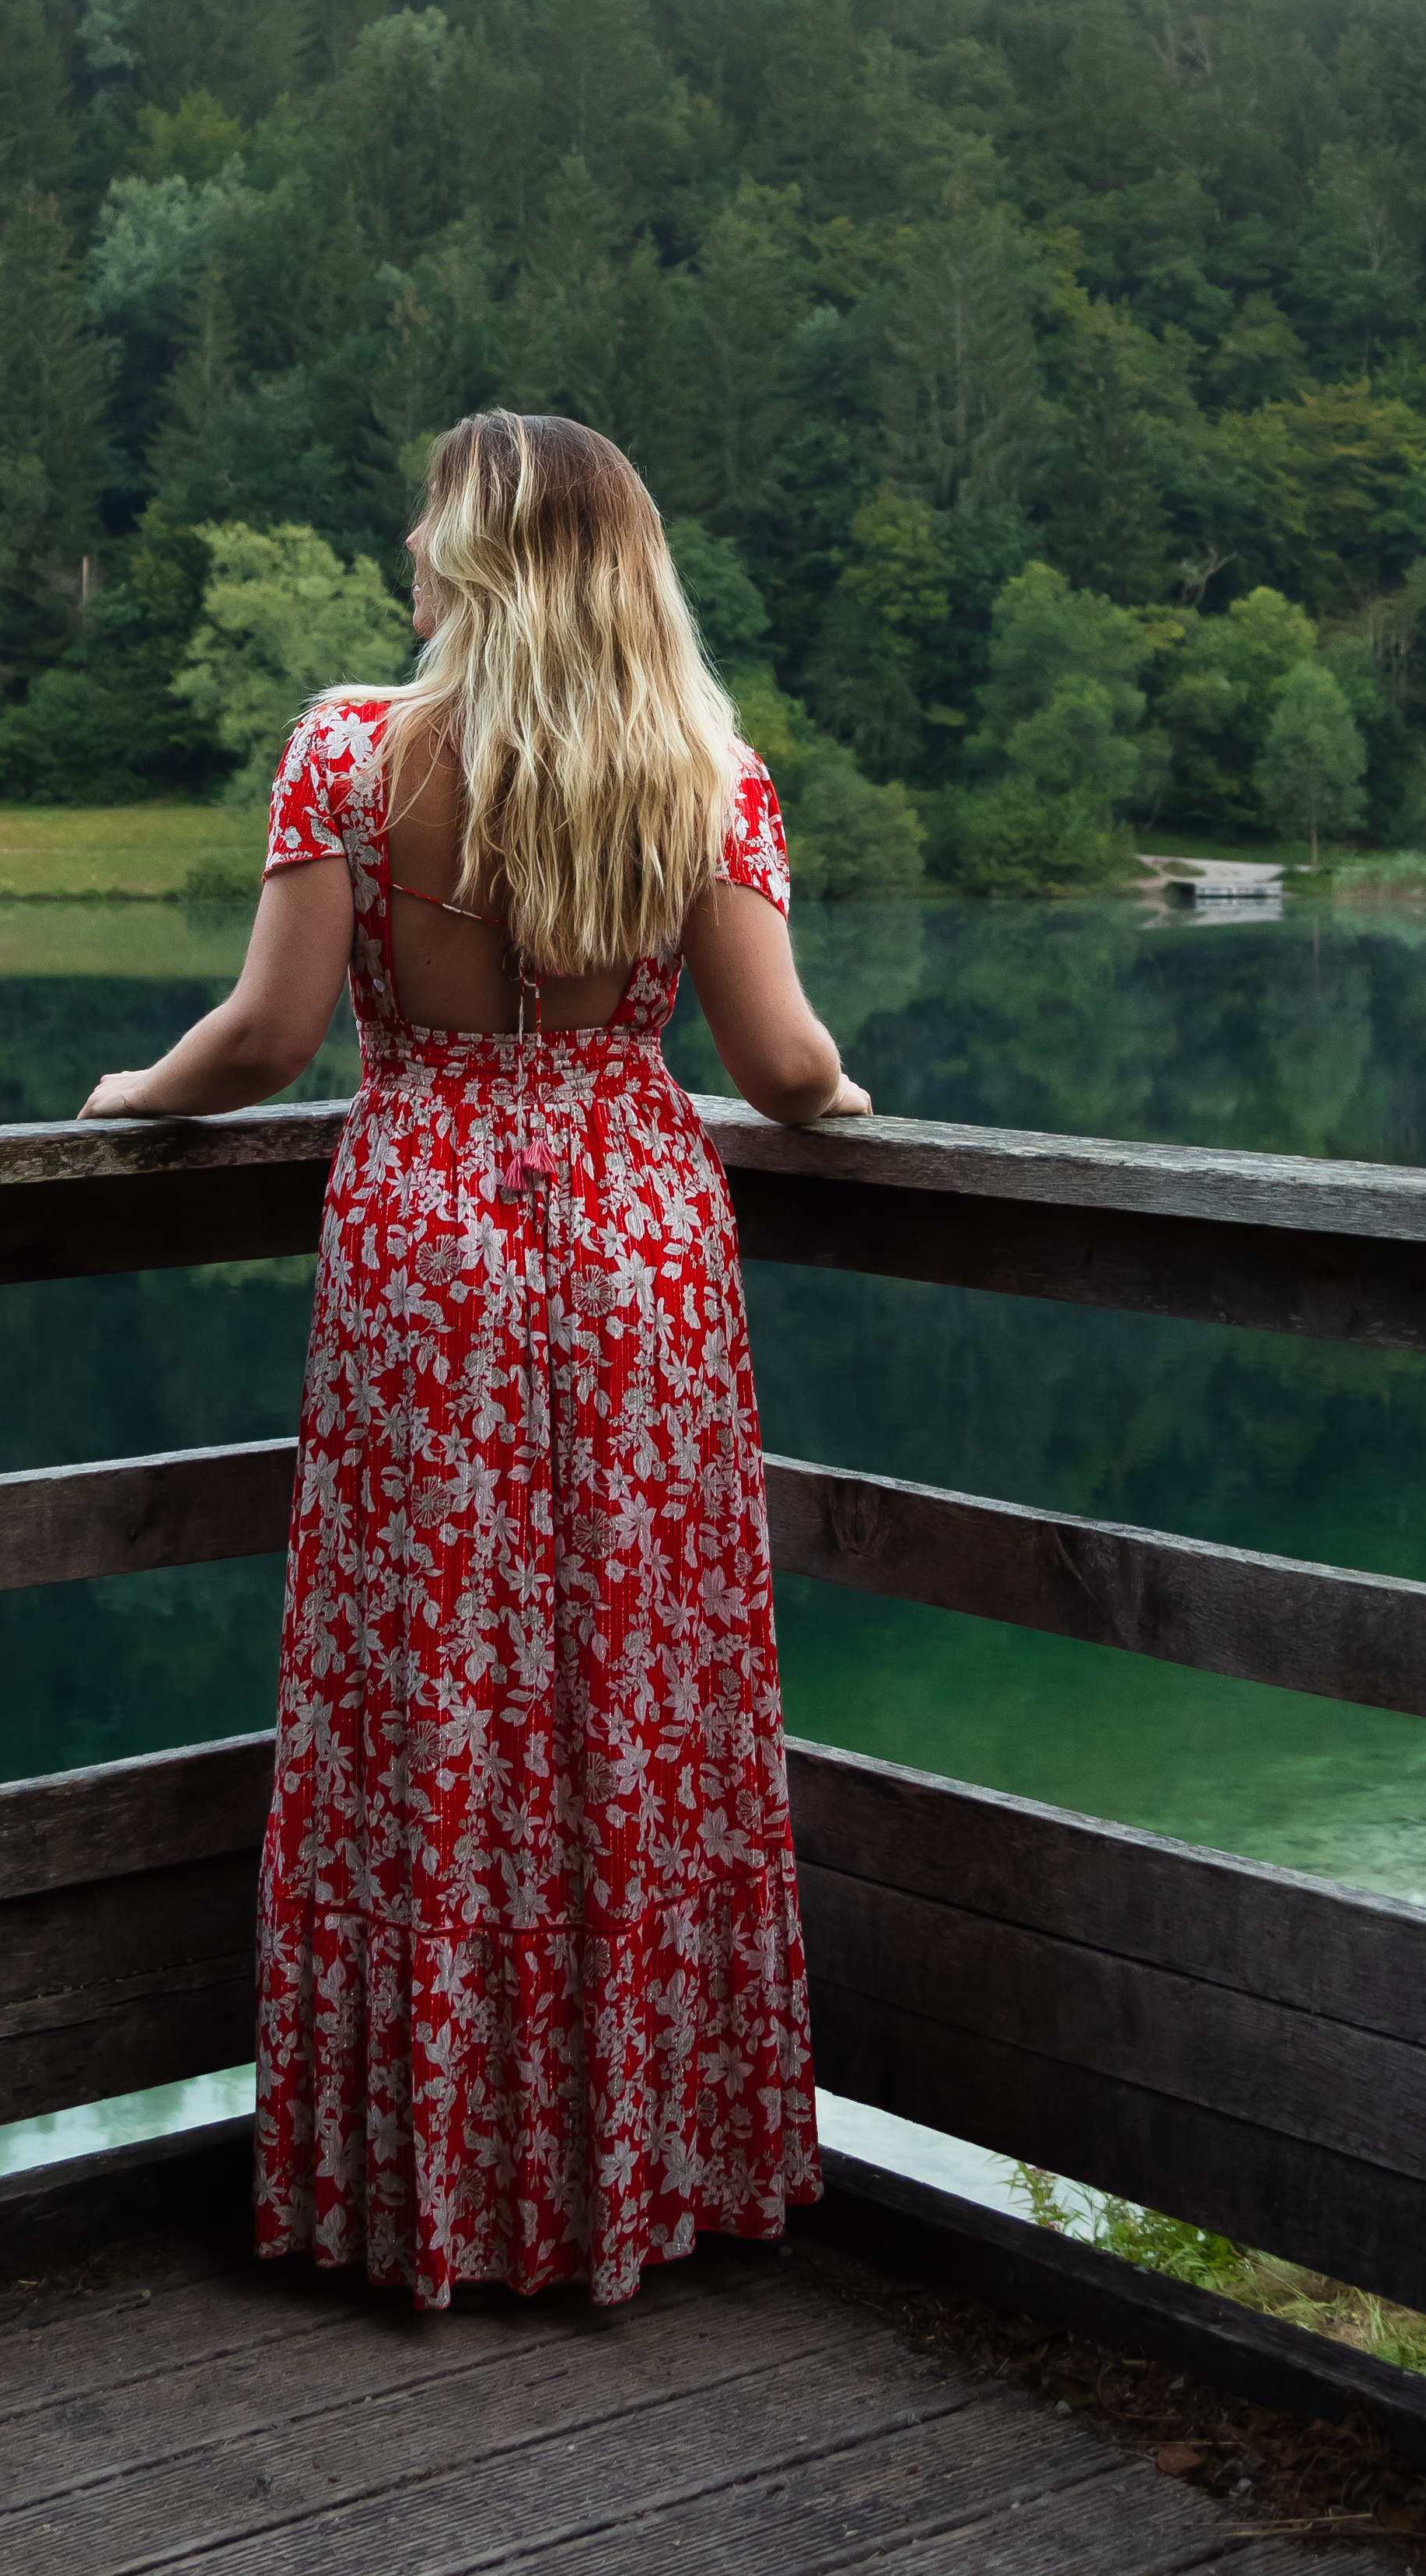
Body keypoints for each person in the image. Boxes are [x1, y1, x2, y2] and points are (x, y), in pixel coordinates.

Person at [79, 408, 870, 2312]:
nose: (405, 564)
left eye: (429, 532)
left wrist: (139, 1093)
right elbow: (777, 1064)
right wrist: (846, 1097)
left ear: (485, 562)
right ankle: (644, 2178)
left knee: (427, 1696)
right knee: (636, 1694)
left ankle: (423, 2190)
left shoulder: (351, 751)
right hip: (636, 1244)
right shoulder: (702, 771)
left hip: (424, 1236)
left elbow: (269, 1039)